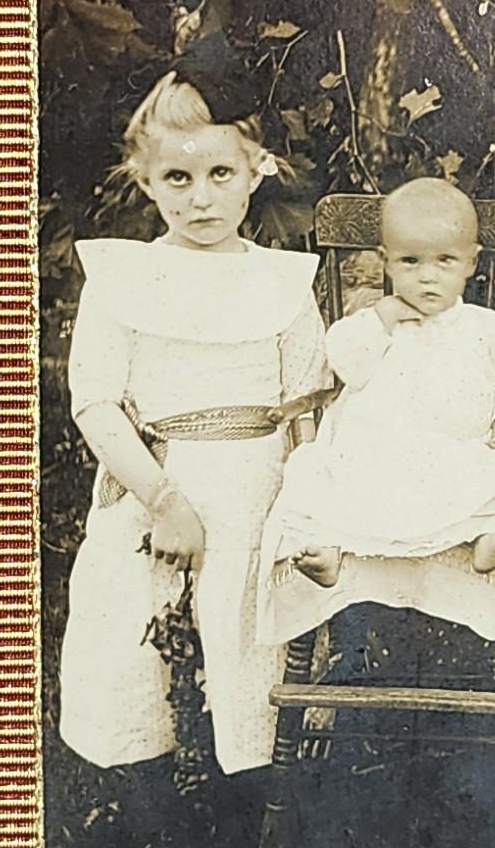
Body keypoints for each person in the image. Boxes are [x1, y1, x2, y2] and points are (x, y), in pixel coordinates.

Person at [59, 61, 325, 798]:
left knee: (247, 669)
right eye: (177, 178)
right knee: (140, 660)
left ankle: (243, 814)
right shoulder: (123, 281)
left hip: (256, 498)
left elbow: (304, 410)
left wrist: (304, 515)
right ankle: (150, 814)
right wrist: (164, 500)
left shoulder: (283, 284)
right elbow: (96, 404)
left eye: (220, 173)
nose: (201, 197)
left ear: (256, 170)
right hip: (161, 491)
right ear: (146, 182)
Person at [264, 178, 495, 657]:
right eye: (410, 262)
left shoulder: (490, 330)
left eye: (445, 261)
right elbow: (344, 363)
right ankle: (328, 555)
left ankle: (486, 544)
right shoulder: (373, 324)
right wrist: (381, 318)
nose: (428, 277)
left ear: (472, 262)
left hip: (455, 453)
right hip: (374, 454)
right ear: (386, 261)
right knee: (317, 480)